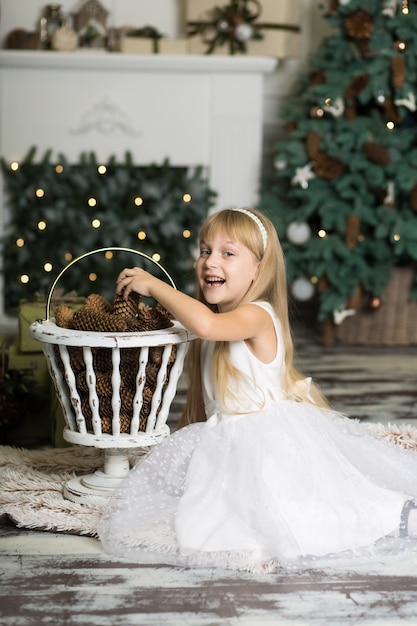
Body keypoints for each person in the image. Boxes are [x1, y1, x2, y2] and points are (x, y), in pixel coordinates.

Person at [98, 207, 417, 573]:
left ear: (258, 269)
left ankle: (397, 515)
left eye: (228, 253)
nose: (210, 262)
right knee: (208, 519)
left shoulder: (258, 315)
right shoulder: (209, 332)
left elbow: (206, 325)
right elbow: (199, 409)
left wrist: (154, 285)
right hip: (225, 441)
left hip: (268, 442)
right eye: (205, 251)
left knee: (305, 512)